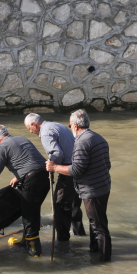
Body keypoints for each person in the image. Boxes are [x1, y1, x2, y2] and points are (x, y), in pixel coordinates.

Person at [0, 125, 50, 257]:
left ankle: (35, 253)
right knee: (30, 209)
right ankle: (25, 240)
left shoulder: (2, 148)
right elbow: (32, 161)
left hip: (32, 181)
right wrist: (18, 177)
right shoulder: (22, 139)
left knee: (29, 215)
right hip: (46, 177)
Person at [45, 110, 112, 261]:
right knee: (97, 222)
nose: (70, 128)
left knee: (99, 226)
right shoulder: (98, 137)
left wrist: (55, 168)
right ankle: (94, 252)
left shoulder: (82, 142)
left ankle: (104, 261)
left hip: (92, 190)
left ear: (75, 125)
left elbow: (76, 170)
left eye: (69, 126)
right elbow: (107, 165)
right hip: (103, 186)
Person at [24, 113, 86, 242]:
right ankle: (79, 235)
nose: (30, 132)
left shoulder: (45, 133)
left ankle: (63, 240)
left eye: (29, 129)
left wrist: (52, 168)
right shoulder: (56, 125)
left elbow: (56, 153)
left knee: (60, 205)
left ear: (34, 125)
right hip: (78, 168)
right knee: (74, 205)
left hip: (67, 170)